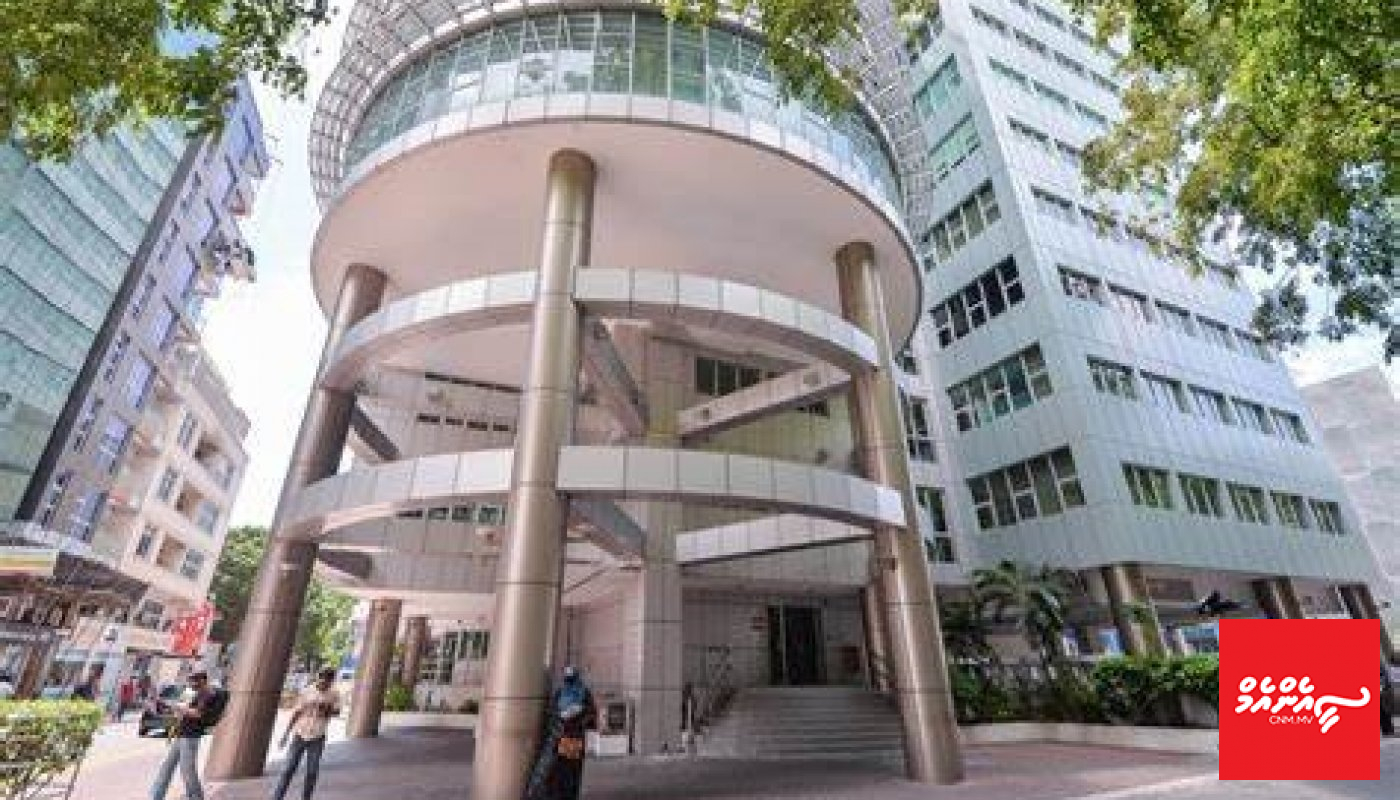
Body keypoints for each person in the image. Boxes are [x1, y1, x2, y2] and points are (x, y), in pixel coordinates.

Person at [526, 666, 597, 800]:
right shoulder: (561, 692)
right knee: (561, 770)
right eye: (567, 678)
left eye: (571, 678)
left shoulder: (583, 693)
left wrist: (577, 716)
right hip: (563, 738)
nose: (568, 682)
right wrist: (562, 716)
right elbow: (552, 713)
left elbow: (591, 715)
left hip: (572, 738)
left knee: (570, 770)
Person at [271, 666, 343, 800]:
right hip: (300, 734)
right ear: (318, 677)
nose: (324, 683)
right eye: (322, 679)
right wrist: (285, 735)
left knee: (312, 772)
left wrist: (328, 708)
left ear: (331, 681)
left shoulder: (334, 694)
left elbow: (337, 711)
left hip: (318, 737)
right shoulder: (307, 691)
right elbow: (297, 712)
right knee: (288, 769)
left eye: (327, 681)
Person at [149, 671, 221, 800]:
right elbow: (180, 713)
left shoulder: (207, 694)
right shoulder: (192, 693)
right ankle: (156, 796)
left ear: (202, 681)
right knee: (166, 766)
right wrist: (172, 729)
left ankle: (196, 797)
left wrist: (179, 707)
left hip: (190, 736)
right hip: (181, 733)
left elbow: (198, 713)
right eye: (191, 680)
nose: (192, 683)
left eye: (194, 680)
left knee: (187, 770)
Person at [1382, 662, 1395, 737]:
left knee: (1385, 710)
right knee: (1384, 711)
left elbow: (1387, 678)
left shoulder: (1384, 667)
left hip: (1385, 690)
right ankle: (1387, 729)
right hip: (1385, 689)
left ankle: (1388, 729)